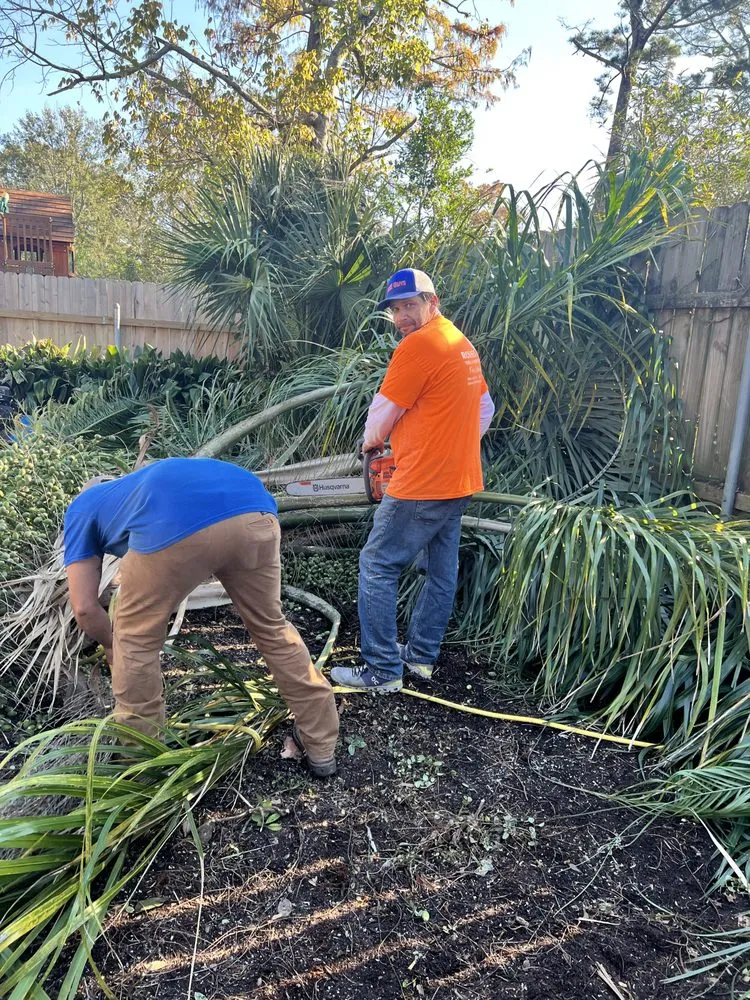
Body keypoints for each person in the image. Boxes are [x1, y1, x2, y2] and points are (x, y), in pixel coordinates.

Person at [63, 457, 339, 776]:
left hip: (176, 522)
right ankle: (321, 745)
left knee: (135, 643)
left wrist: (113, 645)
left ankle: (140, 765)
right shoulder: (135, 487)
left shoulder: (81, 506)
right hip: (256, 510)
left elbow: (84, 608)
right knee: (273, 629)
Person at [330, 268, 494, 693]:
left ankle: (382, 671)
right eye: (395, 309)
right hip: (460, 480)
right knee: (441, 571)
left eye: (409, 305)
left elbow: (383, 412)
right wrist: (452, 445)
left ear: (431, 301)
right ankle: (420, 658)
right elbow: (485, 410)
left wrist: (371, 446)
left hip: (422, 483)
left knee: (377, 564)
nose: (402, 316)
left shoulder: (418, 346)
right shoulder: (461, 345)